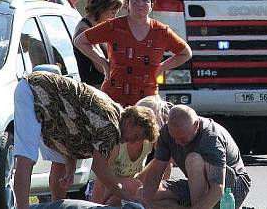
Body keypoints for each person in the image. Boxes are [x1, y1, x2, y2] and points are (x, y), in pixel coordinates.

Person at [13, 71, 159, 209]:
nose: (131, 141)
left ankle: (55, 205)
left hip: (47, 101)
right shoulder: (110, 127)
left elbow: (73, 133)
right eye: (136, 136)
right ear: (131, 121)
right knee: (26, 156)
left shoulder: (114, 115)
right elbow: (99, 167)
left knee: (60, 166)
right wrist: (125, 195)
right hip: (35, 91)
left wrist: (70, 169)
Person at [74, 0, 192, 107]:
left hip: (147, 101)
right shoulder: (113, 26)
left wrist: (161, 67)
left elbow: (185, 53)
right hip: (114, 99)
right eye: (135, 0)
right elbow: (80, 41)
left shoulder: (161, 32)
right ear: (128, 5)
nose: (140, 4)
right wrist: (103, 62)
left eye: (145, 0)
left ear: (151, 5)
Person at [141, 105, 251, 209]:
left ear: (196, 125)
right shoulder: (165, 132)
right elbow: (156, 173)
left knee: (193, 160)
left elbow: (218, 188)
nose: (177, 142)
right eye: (174, 136)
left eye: (182, 138)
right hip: (197, 185)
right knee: (144, 193)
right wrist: (145, 200)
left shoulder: (210, 138)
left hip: (231, 189)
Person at [92, 96, 172, 206]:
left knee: (152, 184)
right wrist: (96, 205)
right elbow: (100, 176)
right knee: (134, 186)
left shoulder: (148, 139)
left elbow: (166, 164)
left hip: (128, 184)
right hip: (105, 186)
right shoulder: (118, 142)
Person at [73, 0, 124, 88]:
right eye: (112, 13)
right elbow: (101, 66)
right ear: (101, 8)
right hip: (93, 90)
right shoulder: (85, 29)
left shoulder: (96, 27)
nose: (113, 18)